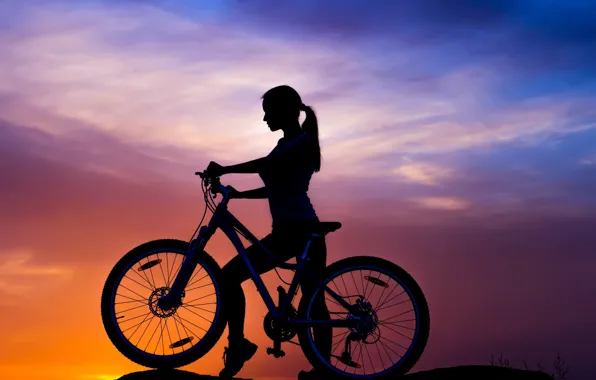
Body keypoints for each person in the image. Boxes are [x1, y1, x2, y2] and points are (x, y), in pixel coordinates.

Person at [204, 85, 332, 379]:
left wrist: (225, 169)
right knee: (313, 299)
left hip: (297, 232)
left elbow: (268, 166)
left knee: (310, 299)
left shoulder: (300, 143)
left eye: (267, 113)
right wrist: (237, 196)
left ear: (284, 110)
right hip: (296, 230)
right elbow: (277, 188)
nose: (264, 120)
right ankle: (321, 368)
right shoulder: (287, 144)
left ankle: (238, 346)